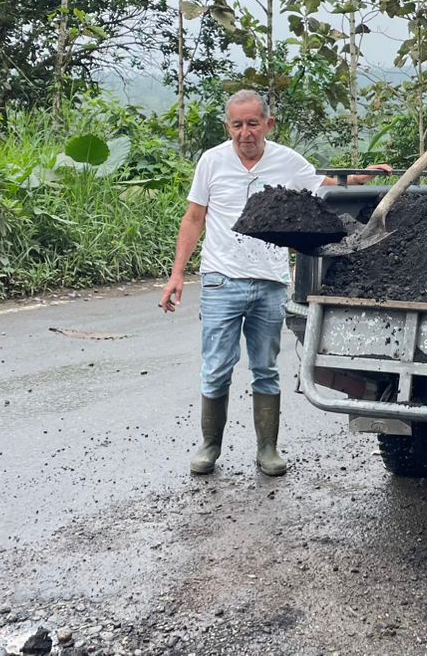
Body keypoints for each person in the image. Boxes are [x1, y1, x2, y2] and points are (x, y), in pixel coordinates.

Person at [160, 90, 389, 477]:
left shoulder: (287, 161)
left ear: (268, 124)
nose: (245, 133)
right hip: (221, 281)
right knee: (216, 368)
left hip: (269, 282)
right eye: (237, 125)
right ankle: (210, 446)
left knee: (265, 369)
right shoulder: (212, 161)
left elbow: (324, 187)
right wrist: (177, 275)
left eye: (253, 123)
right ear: (228, 127)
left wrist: (358, 178)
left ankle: (267, 449)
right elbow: (194, 217)